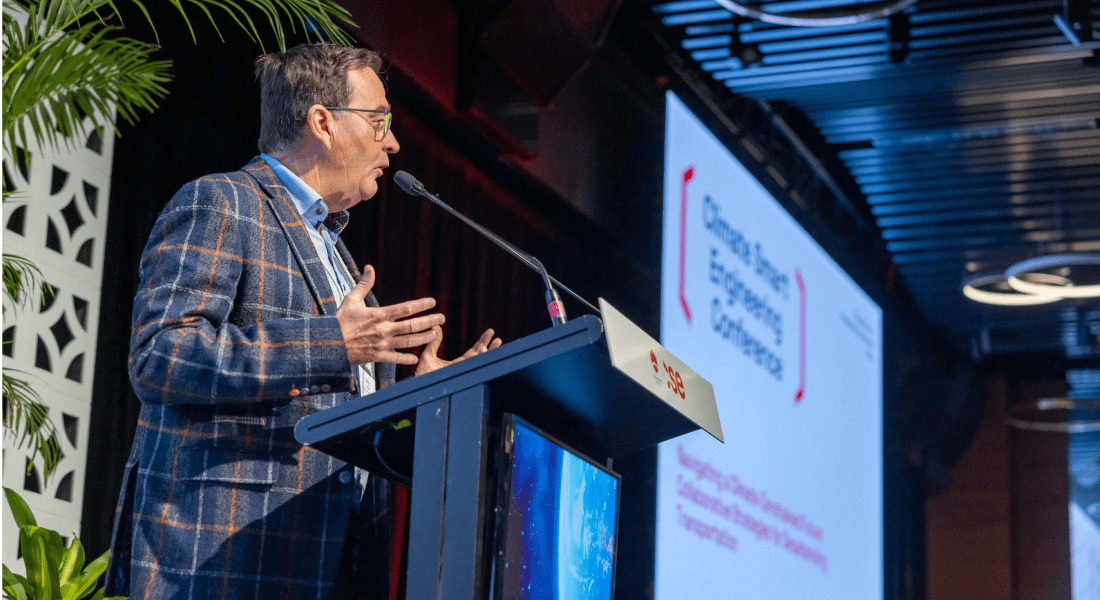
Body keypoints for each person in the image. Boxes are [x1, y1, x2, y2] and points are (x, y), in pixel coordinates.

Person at [105, 43, 501, 600]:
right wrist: (328, 344)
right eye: (379, 120)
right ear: (323, 122)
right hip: (223, 559)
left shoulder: (338, 256)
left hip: (331, 560)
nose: (392, 141)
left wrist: (421, 397)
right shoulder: (221, 202)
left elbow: (338, 420)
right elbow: (161, 356)